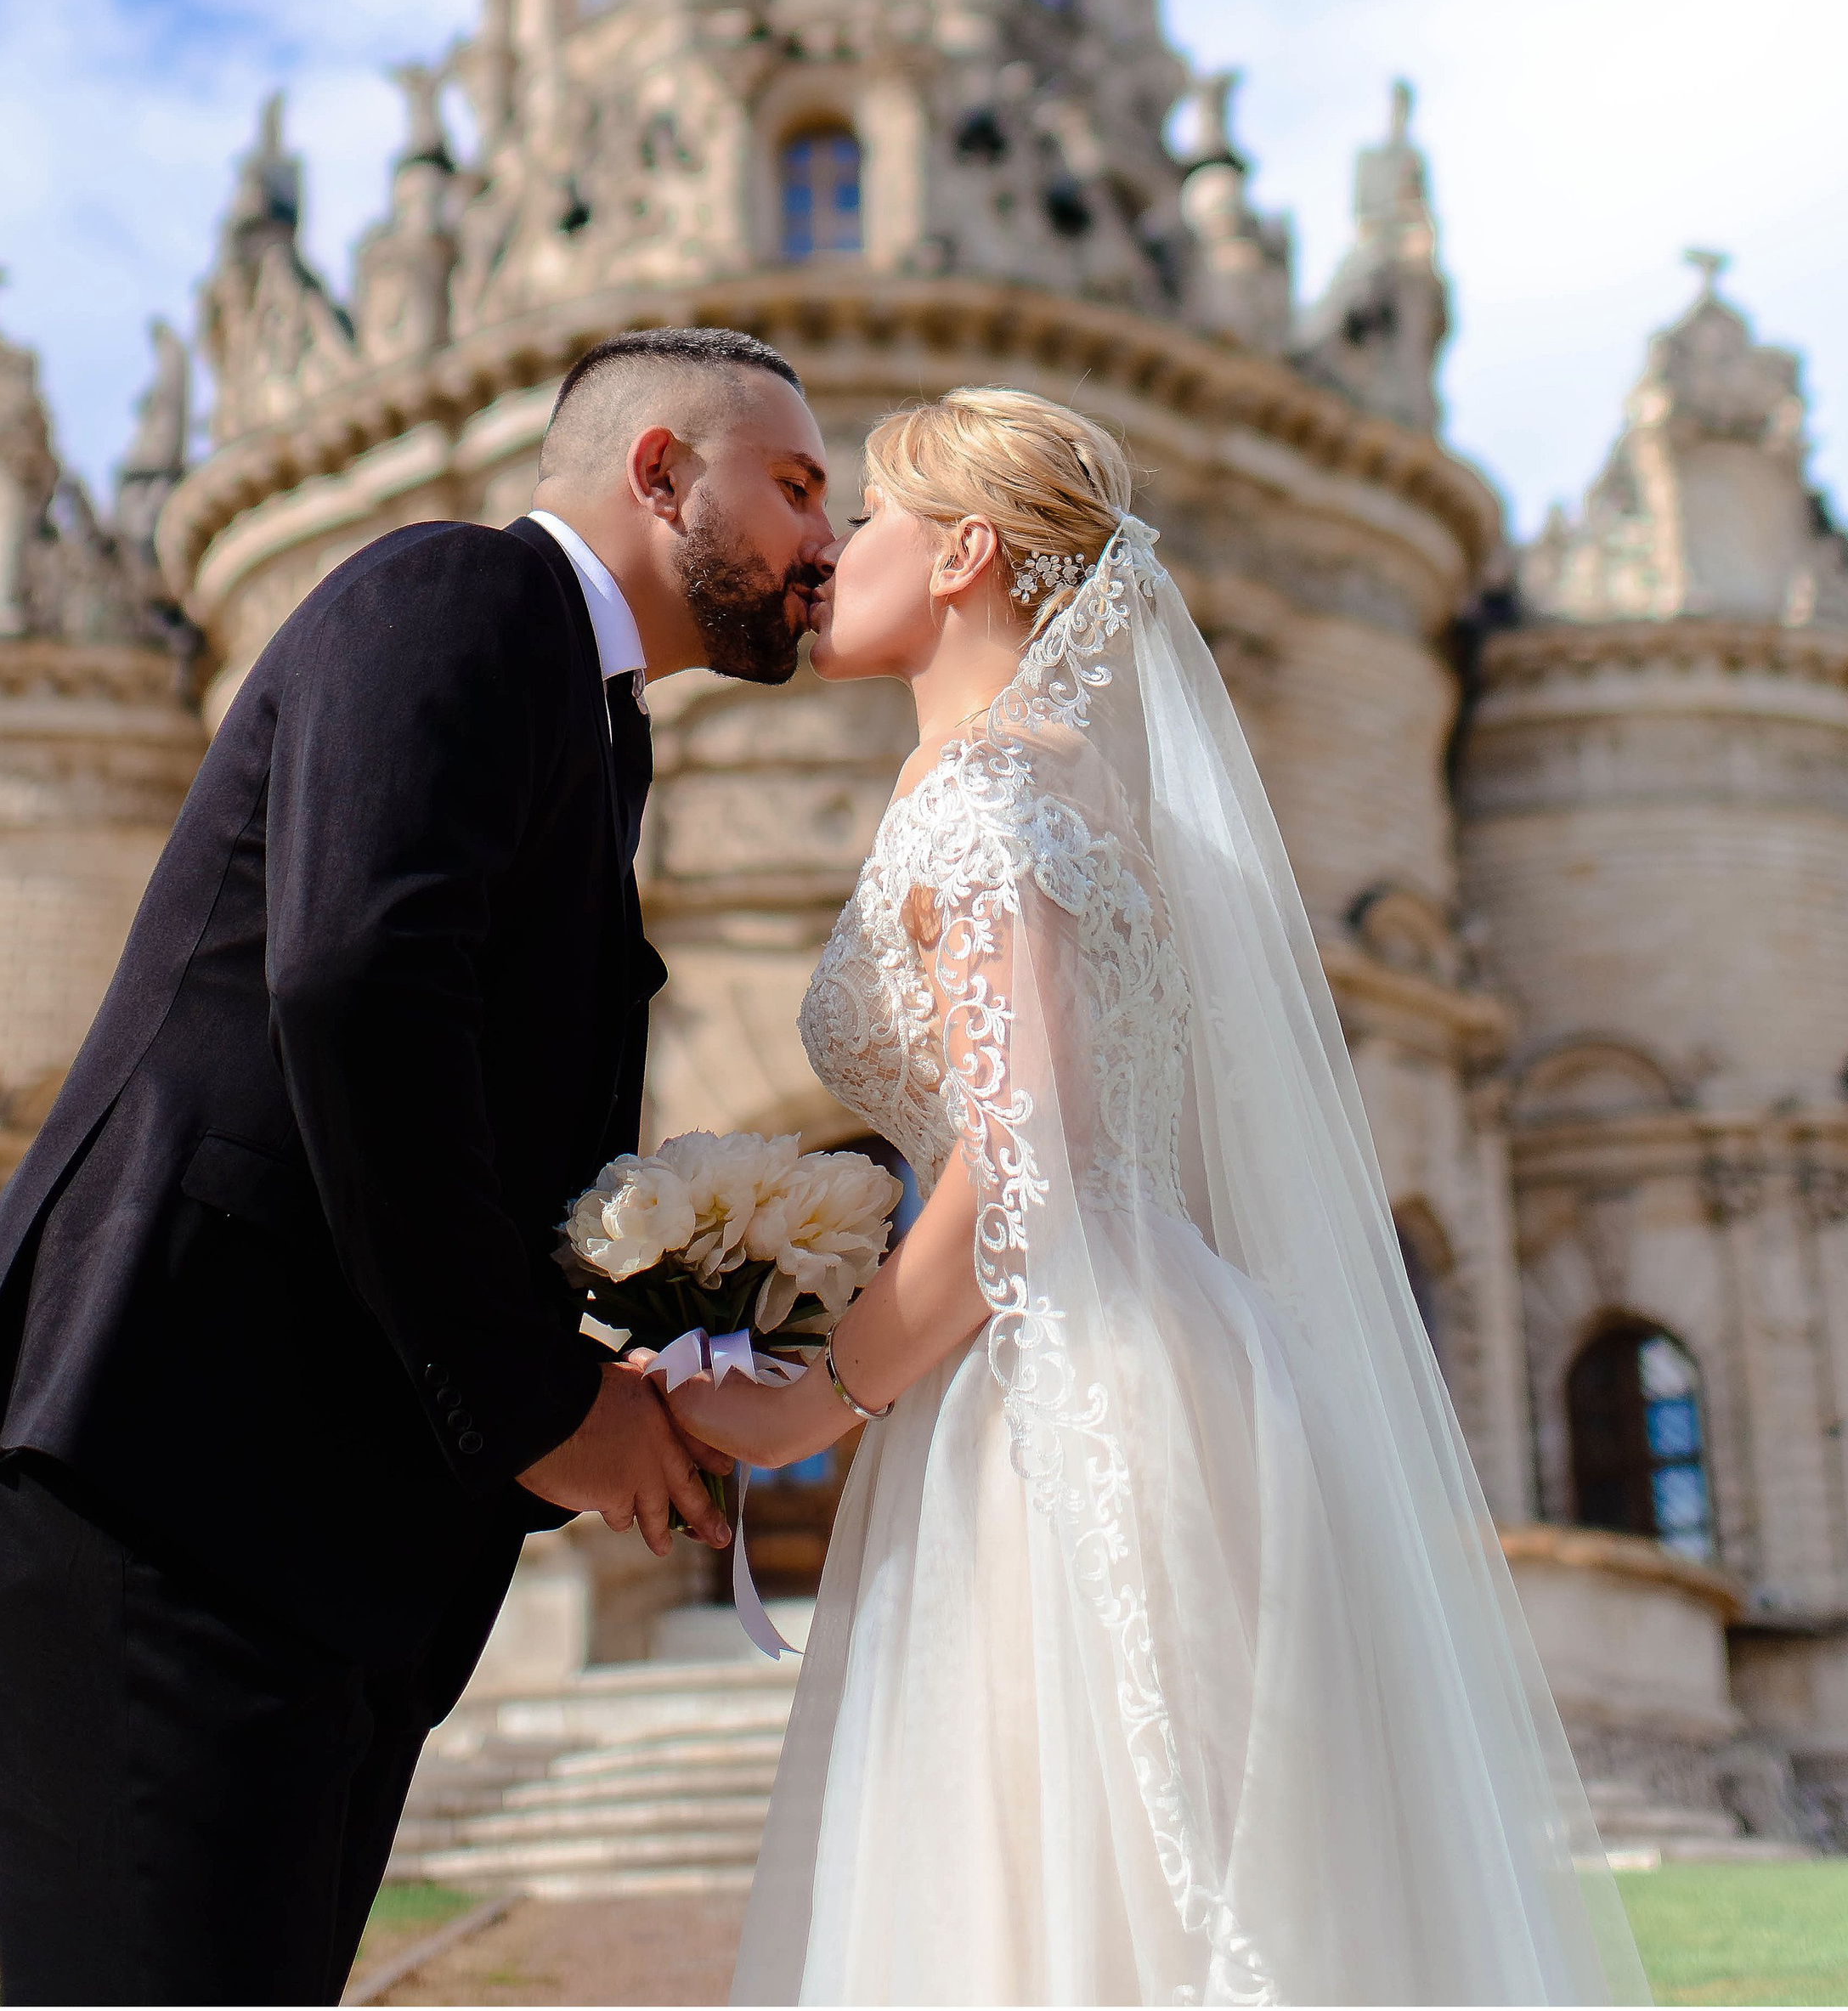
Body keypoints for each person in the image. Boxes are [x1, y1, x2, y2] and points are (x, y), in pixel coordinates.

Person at [0, 325, 838, 2008]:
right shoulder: (458, 594)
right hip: (167, 1450)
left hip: (296, 1498)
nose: (820, 542)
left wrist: (630, 1350)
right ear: (658, 471)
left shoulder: (598, 727)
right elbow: (352, 982)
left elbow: (459, 1095)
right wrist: (540, 1405)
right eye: (796, 485)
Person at [664, 387, 1648, 2008]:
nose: (830, 549)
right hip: (1144, 1337)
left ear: (968, 552)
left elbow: (1027, 1153)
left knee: (1104, 1892)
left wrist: (809, 1403)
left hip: (1075, 1385)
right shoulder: (1065, 787)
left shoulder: (988, 795)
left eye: (871, 517)